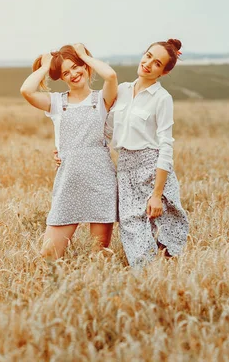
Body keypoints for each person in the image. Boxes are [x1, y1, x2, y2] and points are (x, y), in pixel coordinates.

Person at [55, 39, 189, 268]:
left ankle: (171, 280)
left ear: (163, 72)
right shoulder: (123, 91)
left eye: (157, 63)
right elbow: (102, 129)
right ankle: (145, 278)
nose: (148, 64)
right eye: (147, 56)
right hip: (125, 170)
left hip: (152, 168)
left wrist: (157, 193)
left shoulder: (162, 99)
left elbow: (166, 146)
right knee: (132, 230)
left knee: (166, 232)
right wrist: (69, 151)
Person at [19, 43, 119, 260]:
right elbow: (26, 91)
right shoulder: (56, 103)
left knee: (98, 255)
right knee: (49, 255)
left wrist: (83, 55)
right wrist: (46, 66)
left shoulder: (101, 99)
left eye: (76, 67)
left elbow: (110, 76)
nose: (74, 74)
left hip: (100, 182)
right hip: (68, 182)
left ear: (85, 66)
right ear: (61, 78)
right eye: (66, 72)